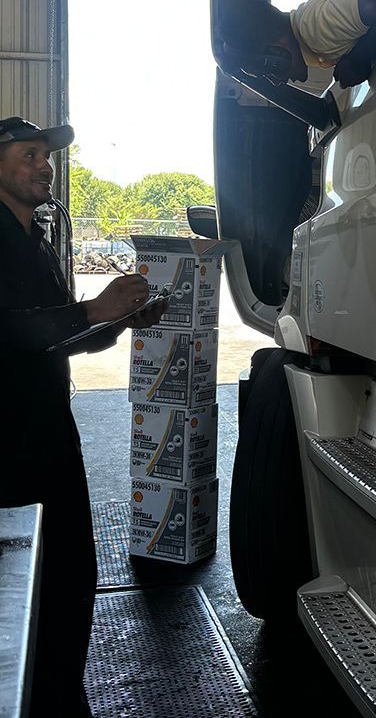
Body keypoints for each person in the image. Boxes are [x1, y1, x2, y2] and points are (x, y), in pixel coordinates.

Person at [0, 116, 168, 718]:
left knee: (72, 570)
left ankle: (60, 695)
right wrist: (93, 305)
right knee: (26, 585)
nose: (44, 165)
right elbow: (12, 332)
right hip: (8, 445)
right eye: (28, 154)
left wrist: (118, 321)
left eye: (45, 155)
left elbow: (59, 336)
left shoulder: (37, 241)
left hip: (49, 432)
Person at [216, 0, 376, 90]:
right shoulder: (309, 39)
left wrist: (358, 59)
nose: (276, 82)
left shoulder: (315, 29)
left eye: (269, 71)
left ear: (278, 51)